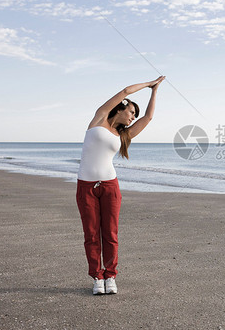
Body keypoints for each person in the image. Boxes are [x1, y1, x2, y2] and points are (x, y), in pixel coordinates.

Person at [76, 76, 164, 295]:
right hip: (86, 187)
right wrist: (148, 83)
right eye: (132, 112)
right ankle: (97, 277)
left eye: (135, 115)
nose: (133, 117)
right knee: (91, 234)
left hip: (110, 187)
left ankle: (111, 276)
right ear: (122, 108)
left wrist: (155, 91)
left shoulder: (124, 135)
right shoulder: (100, 118)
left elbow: (149, 117)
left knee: (111, 234)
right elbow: (125, 90)